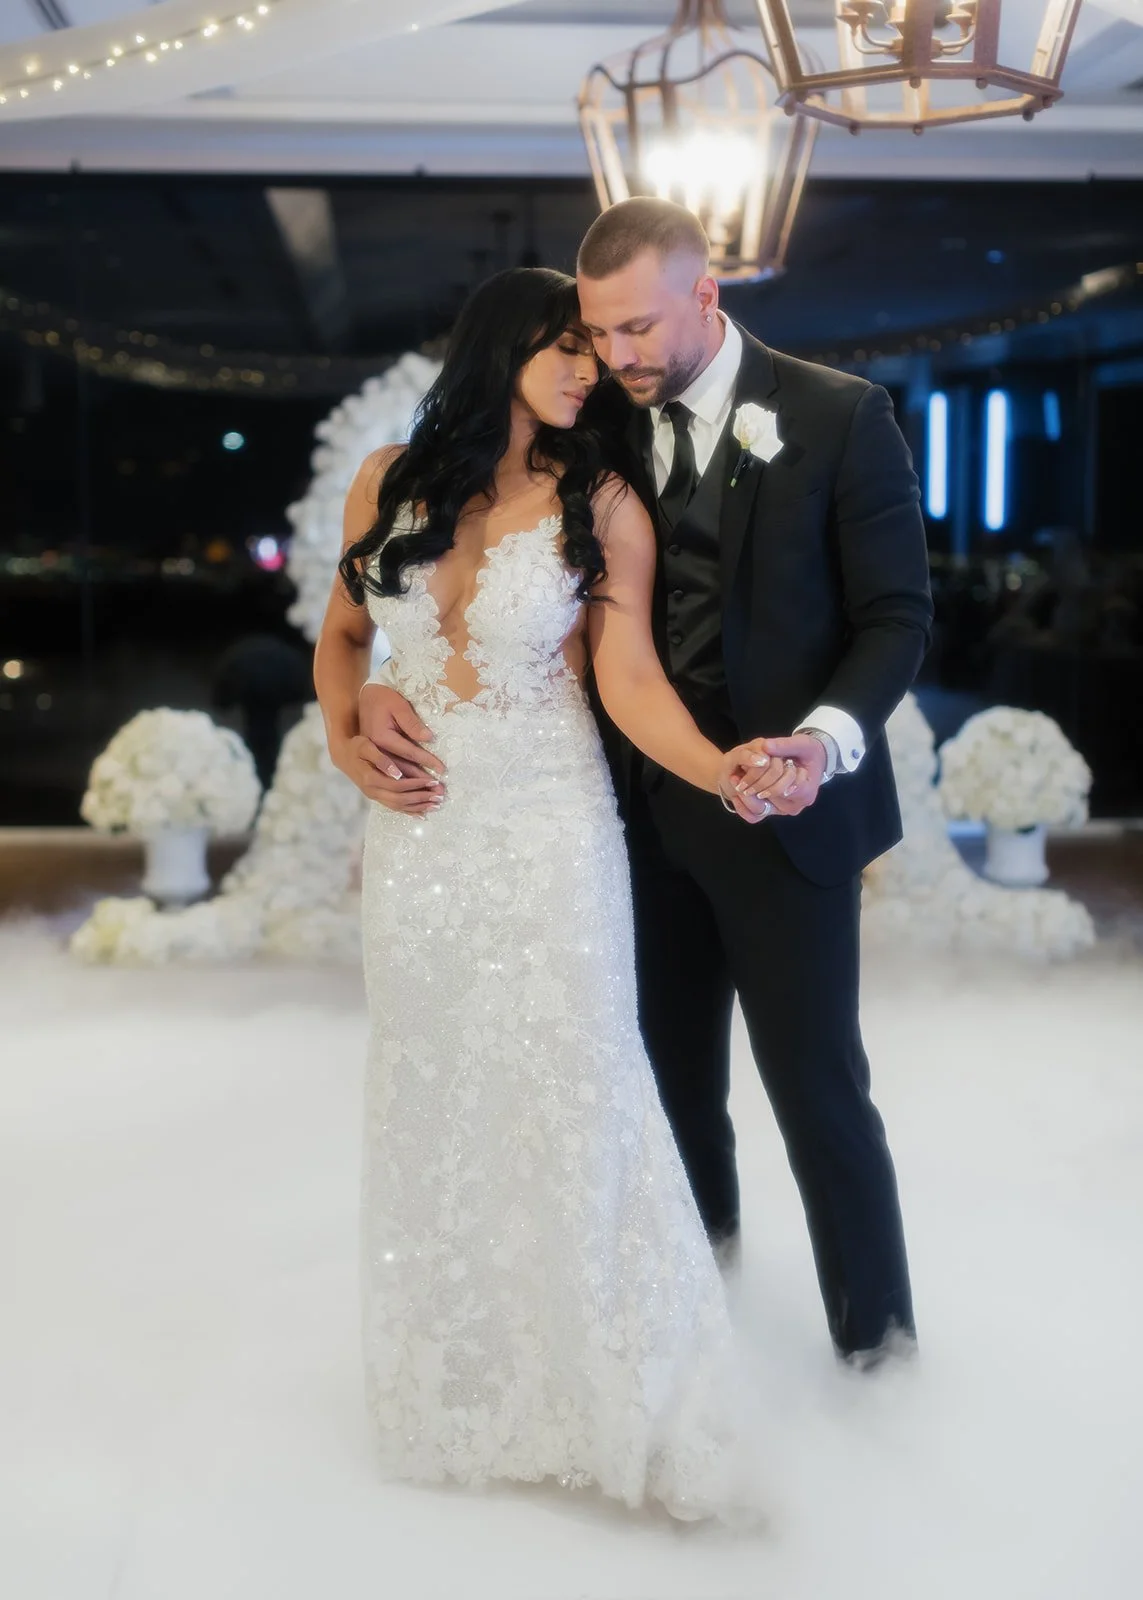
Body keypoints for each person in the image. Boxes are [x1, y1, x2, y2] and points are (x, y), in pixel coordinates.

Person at [359, 200, 934, 1368]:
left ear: (705, 294)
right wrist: (368, 694)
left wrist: (817, 744)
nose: (615, 355)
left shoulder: (837, 415)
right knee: (668, 1088)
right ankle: (696, 1321)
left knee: (818, 1091)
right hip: (623, 817)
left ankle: (879, 1359)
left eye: (634, 328)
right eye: (595, 332)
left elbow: (895, 618)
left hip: (787, 814)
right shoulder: (592, 429)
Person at [314, 265, 774, 1526]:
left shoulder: (604, 500)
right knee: (436, 1088)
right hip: (423, 844)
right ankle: (471, 1390)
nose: (588, 367)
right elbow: (344, 639)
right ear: (498, 351)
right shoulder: (386, 483)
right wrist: (354, 722)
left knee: (582, 1089)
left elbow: (625, 678)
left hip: (552, 828)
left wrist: (723, 770)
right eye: (563, 345)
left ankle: (628, 1397)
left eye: (597, 345)